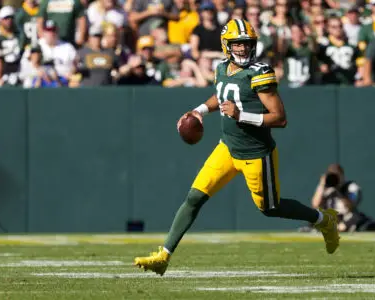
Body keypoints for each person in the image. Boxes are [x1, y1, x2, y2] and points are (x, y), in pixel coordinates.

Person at [133, 18, 340, 276]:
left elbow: (280, 118)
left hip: (256, 154)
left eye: (246, 44)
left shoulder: (260, 72)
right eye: (237, 44)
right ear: (226, 45)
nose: (242, 49)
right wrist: (198, 111)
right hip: (228, 148)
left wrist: (241, 115)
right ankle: (164, 256)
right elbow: (222, 94)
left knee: (270, 208)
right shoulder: (222, 68)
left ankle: (324, 220)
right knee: (194, 197)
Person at [311, 164, 375, 232]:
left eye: (337, 175)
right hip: (332, 218)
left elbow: (351, 206)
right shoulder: (326, 188)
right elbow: (315, 204)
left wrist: (339, 191)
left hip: (347, 218)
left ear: (342, 175)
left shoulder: (351, 187)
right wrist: (322, 184)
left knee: (355, 217)